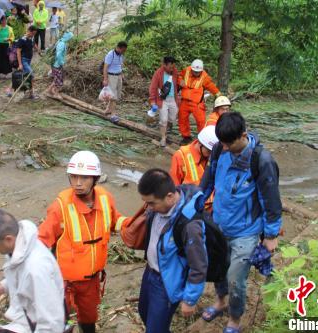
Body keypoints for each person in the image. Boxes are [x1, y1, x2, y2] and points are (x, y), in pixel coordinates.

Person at [198, 112, 282, 333]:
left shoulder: (261, 161)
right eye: (222, 143)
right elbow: (206, 182)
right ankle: (221, 300)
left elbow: (271, 200)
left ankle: (235, 319)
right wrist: (194, 205)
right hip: (219, 225)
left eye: (229, 144)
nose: (224, 148)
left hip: (245, 232)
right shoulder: (219, 149)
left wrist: (271, 236)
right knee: (218, 268)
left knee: (236, 279)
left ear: (243, 135)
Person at [38, 151, 128, 333]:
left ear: (95, 179)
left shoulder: (105, 198)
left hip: (91, 280)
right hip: (64, 283)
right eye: (73, 177)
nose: (77, 183)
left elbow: (115, 220)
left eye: (84, 178)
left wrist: (133, 224)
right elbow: (41, 240)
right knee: (59, 321)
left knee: (89, 318)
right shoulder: (60, 207)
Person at [137, 169, 208, 333]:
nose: (148, 207)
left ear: (169, 197)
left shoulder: (189, 224)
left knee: (155, 329)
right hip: (150, 273)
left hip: (167, 283)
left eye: (152, 203)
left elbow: (199, 265)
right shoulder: (158, 208)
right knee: (144, 312)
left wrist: (190, 299)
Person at [0, 209, 65, 333]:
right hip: (27, 319)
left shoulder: (37, 268)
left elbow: (51, 322)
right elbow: (22, 277)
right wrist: (2, 287)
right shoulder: (20, 248)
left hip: (41, 326)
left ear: (8, 239)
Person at [178, 59, 221, 144]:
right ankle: (186, 137)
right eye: (195, 71)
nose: (196, 73)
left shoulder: (204, 77)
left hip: (197, 103)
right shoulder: (186, 71)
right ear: (192, 69)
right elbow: (178, 76)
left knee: (201, 121)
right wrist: (180, 81)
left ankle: (202, 138)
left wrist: (219, 95)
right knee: (182, 119)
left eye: (198, 72)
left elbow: (211, 86)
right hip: (184, 101)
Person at [149, 56, 180, 147]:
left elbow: (178, 82)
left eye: (173, 67)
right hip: (162, 100)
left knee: (173, 118)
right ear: (164, 65)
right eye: (170, 67)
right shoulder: (158, 73)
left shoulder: (174, 72)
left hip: (173, 99)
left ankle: (168, 129)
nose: (172, 69)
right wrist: (152, 101)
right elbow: (153, 88)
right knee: (163, 120)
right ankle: (163, 137)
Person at [102, 41, 127, 121]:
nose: (124, 52)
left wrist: (122, 74)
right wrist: (105, 79)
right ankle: (113, 115)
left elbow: (120, 65)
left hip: (118, 76)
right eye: (123, 50)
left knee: (117, 95)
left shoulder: (120, 55)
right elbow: (105, 68)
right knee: (113, 96)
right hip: (111, 76)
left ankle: (107, 110)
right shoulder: (110, 55)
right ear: (119, 48)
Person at [46, 31, 73, 98]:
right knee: (59, 80)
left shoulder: (60, 41)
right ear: (68, 37)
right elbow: (58, 55)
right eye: (70, 38)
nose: (71, 39)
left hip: (54, 64)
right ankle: (56, 93)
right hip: (57, 65)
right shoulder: (62, 44)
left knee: (56, 79)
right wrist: (62, 63)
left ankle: (49, 91)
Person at [16, 25, 38, 99]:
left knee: (26, 76)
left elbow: (34, 44)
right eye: (32, 33)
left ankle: (27, 92)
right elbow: (18, 51)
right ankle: (31, 94)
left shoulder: (31, 38)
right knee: (31, 75)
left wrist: (39, 51)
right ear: (29, 31)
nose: (33, 35)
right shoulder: (22, 40)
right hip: (24, 60)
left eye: (34, 34)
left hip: (29, 61)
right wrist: (20, 64)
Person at [0, 15, 14, 80]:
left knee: (6, 59)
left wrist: (8, 39)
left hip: (6, 45)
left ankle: (7, 73)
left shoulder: (10, 28)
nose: (4, 22)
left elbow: (13, 37)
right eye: (2, 20)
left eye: (5, 20)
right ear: (0, 21)